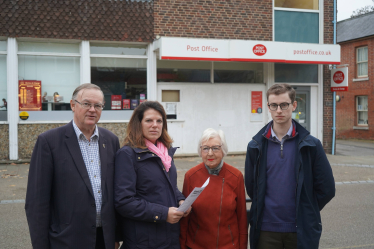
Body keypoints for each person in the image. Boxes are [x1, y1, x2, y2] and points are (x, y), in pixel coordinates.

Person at [25, 83, 120, 249]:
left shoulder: (111, 140)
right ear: (72, 105)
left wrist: (115, 235)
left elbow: (116, 191)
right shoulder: (49, 141)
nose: (92, 109)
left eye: (98, 105)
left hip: (104, 239)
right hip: (67, 240)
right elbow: (36, 203)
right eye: (86, 104)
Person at [245, 83, 335, 249]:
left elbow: (327, 188)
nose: (279, 110)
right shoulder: (255, 146)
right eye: (274, 105)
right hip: (265, 230)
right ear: (268, 107)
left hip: (300, 229)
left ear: (293, 105)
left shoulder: (311, 145)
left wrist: (307, 209)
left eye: (284, 105)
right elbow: (252, 188)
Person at [114, 101, 190, 249]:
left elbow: (169, 186)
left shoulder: (165, 153)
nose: (155, 125)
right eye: (149, 120)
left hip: (170, 238)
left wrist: (181, 201)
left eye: (159, 121)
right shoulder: (127, 154)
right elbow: (124, 202)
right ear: (139, 124)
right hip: (143, 241)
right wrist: (163, 214)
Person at [180, 128, 248, 249]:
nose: (210, 153)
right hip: (197, 245)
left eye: (215, 148)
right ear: (200, 151)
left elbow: (242, 219)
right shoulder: (191, 176)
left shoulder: (236, 176)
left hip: (228, 245)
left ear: (223, 150)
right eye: (205, 148)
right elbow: (185, 218)